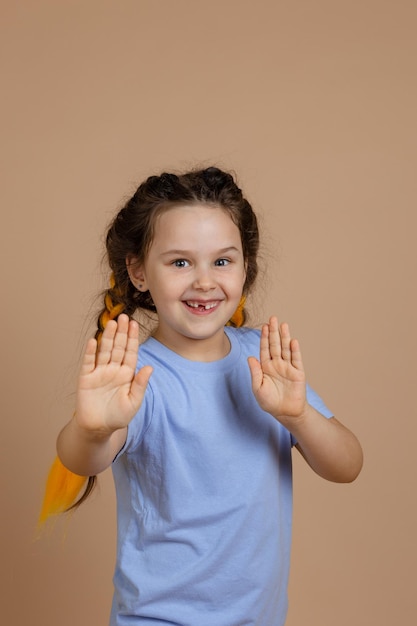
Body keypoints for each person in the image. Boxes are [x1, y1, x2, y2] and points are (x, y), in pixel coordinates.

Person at [47, 166, 363, 625]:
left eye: (221, 261)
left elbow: (348, 464)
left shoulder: (264, 359)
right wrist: (92, 427)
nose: (203, 281)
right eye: (180, 262)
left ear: (245, 267)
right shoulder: (138, 377)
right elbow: (82, 459)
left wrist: (298, 417)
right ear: (138, 271)